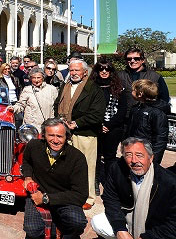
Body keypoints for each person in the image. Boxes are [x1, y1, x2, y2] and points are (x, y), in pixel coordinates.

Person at [91, 137, 176, 239]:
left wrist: (148, 237)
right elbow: (111, 200)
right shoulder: (117, 169)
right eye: (128, 155)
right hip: (127, 222)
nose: (134, 161)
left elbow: (173, 223)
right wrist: (120, 229)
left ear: (151, 158)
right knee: (98, 222)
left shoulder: (168, 181)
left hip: (154, 229)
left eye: (139, 155)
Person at [22, 118, 88, 239]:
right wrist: (27, 177)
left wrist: (46, 199)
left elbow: (80, 195)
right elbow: (26, 161)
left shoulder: (77, 158)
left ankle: (61, 228)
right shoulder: (34, 146)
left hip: (64, 198)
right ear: (43, 135)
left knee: (77, 223)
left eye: (60, 136)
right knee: (32, 230)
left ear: (67, 137)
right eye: (51, 135)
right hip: (38, 193)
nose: (55, 140)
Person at [53, 59, 105, 209]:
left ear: (85, 72)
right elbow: (58, 104)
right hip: (65, 133)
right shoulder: (65, 85)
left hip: (84, 133)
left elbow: (97, 114)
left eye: (77, 70)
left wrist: (76, 123)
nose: (74, 73)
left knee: (86, 165)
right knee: (65, 164)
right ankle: (68, 191)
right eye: (71, 70)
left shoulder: (94, 89)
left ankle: (88, 197)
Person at [90, 58, 128, 189]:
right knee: (95, 155)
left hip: (114, 127)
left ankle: (109, 182)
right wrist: (99, 124)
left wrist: (109, 125)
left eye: (107, 69)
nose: (104, 71)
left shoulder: (118, 87)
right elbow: (89, 108)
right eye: (101, 68)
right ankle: (95, 181)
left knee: (110, 157)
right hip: (95, 126)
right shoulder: (91, 86)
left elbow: (123, 109)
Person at [117, 47, 170, 123]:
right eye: (129, 59)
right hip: (126, 119)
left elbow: (164, 99)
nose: (132, 61)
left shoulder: (155, 76)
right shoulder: (119, 76)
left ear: (142, 60)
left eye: (136, 58)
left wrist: (154, 112)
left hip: (148, 119)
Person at [124, 80, 169, 164]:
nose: (131, 92)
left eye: (133, 90)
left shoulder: (157, 113)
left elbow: (161, 138)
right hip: (133, 149)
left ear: (140, 94)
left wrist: (154, 159)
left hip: (146, 153)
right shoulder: (135, 108)